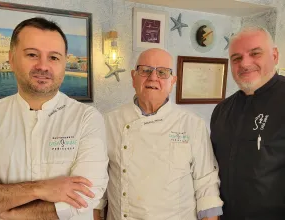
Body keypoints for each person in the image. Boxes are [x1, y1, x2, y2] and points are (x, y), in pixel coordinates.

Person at [0, 17, 109, 220]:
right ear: (12, 58)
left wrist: (5, 209)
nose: (43, 66)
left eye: (53, 57)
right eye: (32, 55)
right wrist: (40, 189)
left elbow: (85, 199)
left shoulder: (87, 119)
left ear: (63, 63)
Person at [95, 48, 223, 220]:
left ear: (172, 82)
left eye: (162, 72)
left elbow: (206, 186)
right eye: (145, 70)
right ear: (133, 77)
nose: (153, 77)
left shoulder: (192, 125)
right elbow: (97, 188)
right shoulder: (108, 122)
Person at [210, 26, 285, 220]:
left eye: (255, 53)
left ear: (274, 56)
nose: (245, 63)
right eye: (236, 58)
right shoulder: (222, 110)